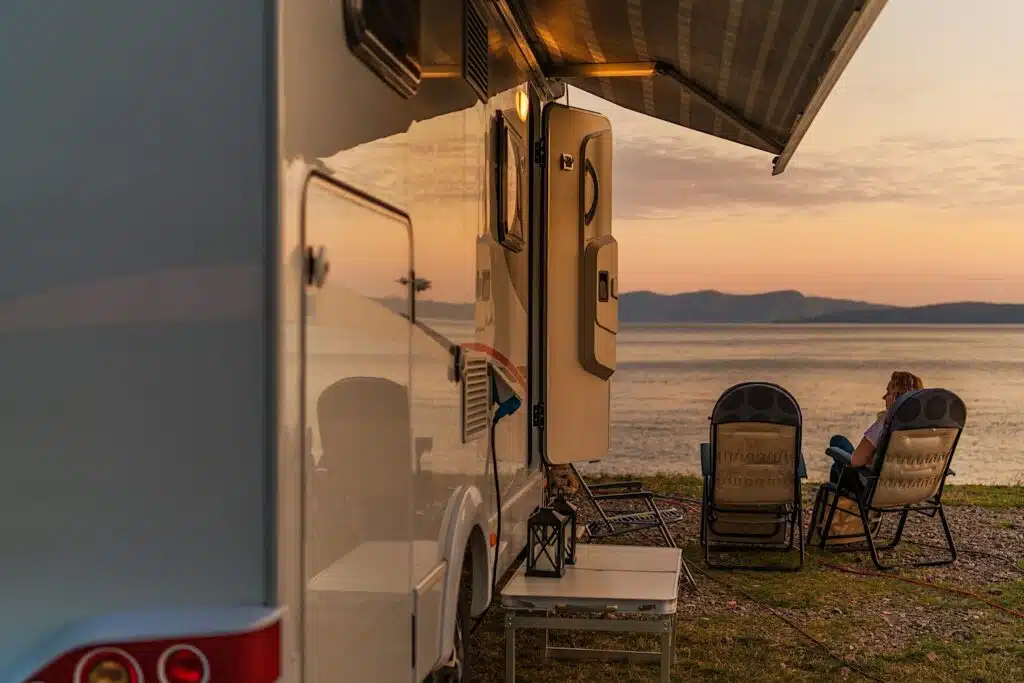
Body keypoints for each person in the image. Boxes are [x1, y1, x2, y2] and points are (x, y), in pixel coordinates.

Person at [828, 371, 924, 488]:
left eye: (888, 392)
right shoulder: (926, 429)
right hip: (912, 486)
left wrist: (890, 413)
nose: (883, 397)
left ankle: (839, 503)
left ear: (897, 397)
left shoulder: (887, 423)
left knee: (838, 441)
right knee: (835, 469)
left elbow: (856, 461)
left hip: (876, 487)